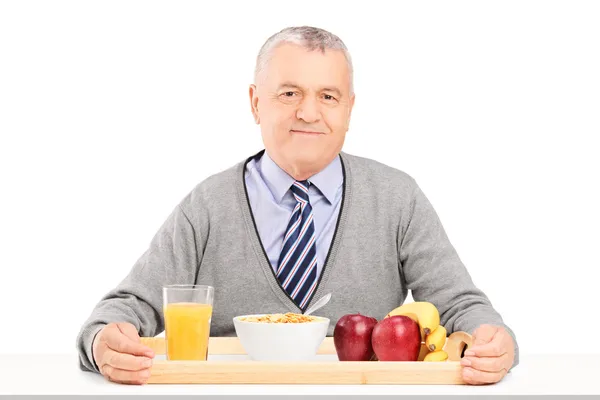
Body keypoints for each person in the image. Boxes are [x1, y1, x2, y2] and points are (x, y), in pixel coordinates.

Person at [76, 26, 519, 386]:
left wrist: (493, 342)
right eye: (289, 94)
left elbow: (462, 306)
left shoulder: (397, 198)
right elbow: (126, 307)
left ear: (349, 109)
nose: (309, 112)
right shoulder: (208, 205)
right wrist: (102, 343)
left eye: (328, 96)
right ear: (255, 103)